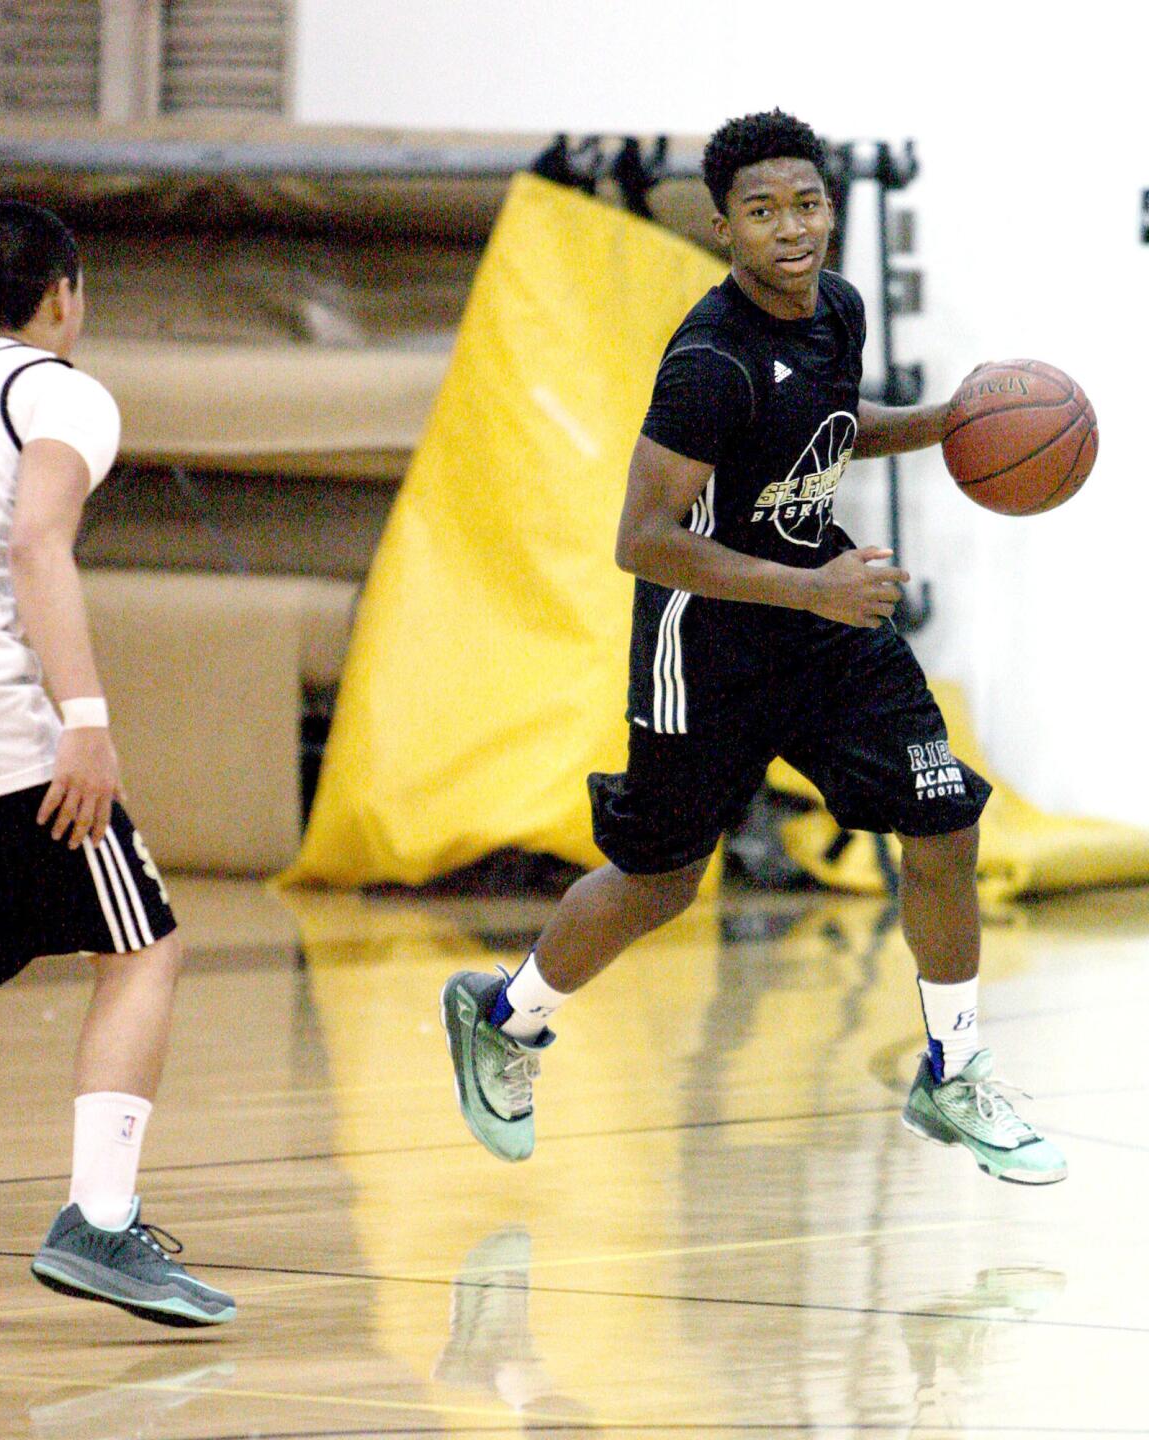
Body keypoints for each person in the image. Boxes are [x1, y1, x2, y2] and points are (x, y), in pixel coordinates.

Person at [442, 110, 1066, 1186]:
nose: (793, 230)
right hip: (710, 639)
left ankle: (953, 1069)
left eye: (809, 205)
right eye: (765, 212)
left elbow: (828, 421)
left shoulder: (837, 311)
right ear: (725, 226)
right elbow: (642, 542)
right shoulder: (707, 365)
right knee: (661, 881)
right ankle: (508, 1019)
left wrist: (946, 421)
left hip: (827, 634)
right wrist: (813, 587)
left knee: (945, 816)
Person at [0, 200, 236, 1323]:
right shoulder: (55, 389)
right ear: (66, 296)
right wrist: (85, 719)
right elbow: (33, 542)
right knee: (142, 948)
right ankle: (101, 1226)